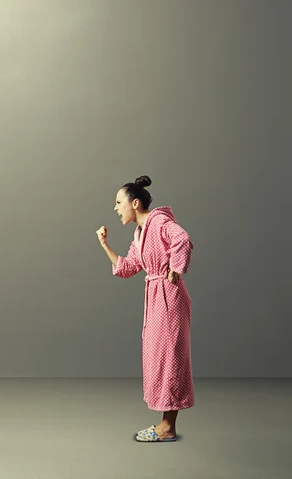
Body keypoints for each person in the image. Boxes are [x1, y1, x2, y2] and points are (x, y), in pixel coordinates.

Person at [96, 175, 194, 442]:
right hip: (155, 296)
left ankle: (167, 427)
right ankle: (165, 423)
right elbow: (127, 268)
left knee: (170, 356)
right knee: (158, 356)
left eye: (119, 203)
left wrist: (175, 268)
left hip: (169, 296)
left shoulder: (159, 222)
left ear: (135, 203)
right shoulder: (140, 233)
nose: (116, 208)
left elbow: (182, 239)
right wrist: (105, 244)